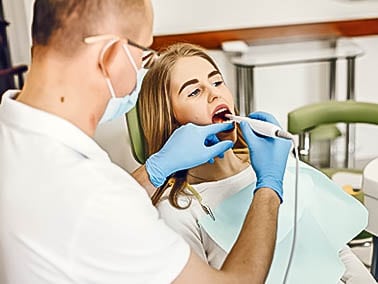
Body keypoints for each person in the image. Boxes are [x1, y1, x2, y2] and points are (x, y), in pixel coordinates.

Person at [0, 1, 292, 283]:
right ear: (112, 56)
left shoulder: (14, 136)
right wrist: (269, 185)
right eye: (143, 54)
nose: (142, 69)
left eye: (216, 82)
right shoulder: (97, 196)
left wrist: (155, 169)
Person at [137, 43, 377, 284]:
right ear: (171, 121)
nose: (214, 94)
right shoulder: (178, 209)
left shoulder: (273, 162)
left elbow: (335, 251)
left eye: (217, 82)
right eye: (194, 92)